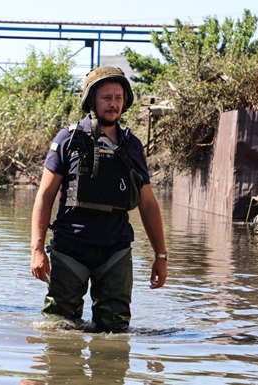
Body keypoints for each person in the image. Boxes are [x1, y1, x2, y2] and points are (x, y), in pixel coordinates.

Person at [30, 66, 167, 333]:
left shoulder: (132, 146)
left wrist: (160, 255)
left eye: (118, 97)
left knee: (115, 331)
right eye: (106, 97)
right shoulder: (68, 139)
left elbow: (148, 203)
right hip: (71, 248)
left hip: (115, 250)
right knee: (58, 328)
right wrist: (37, 249)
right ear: (91, 100)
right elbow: (45, 196)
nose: (113, 104)